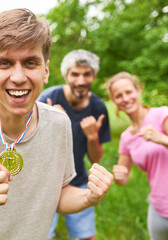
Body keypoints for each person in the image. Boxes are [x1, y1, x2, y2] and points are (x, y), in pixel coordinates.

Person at [0, 8, 113, 240]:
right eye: (5, 63)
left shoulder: (59, 123)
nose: (18, 77)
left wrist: (89, 196)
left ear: (45, 70)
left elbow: (58, 195)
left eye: (30, 63)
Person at [106, 72, 168, 240]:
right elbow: (123, 179)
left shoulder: (163, 115)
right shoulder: (126, 137)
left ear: (138, 91)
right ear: (114, 101)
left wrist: (163, 140)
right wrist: (118, 175)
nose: (125, 98)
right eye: (119, 95)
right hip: (157, 211)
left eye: (129, 92)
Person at [38, 49, 111, 240]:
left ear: (94, 75)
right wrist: (52, 123)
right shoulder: (47, 99)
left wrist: (93, 137)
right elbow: (29, 146)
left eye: (87, 74)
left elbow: (96, 159)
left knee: (87, 237)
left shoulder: (98, 107)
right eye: (75, 74)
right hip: (44, 184)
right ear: (66, 75)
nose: (80, 81)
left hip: (78, 181)